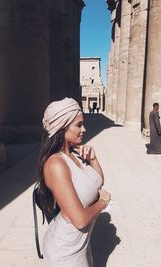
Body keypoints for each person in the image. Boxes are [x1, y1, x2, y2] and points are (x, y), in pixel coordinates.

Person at [37, 97, 111, 267]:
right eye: (79, 125)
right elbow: (79, 220)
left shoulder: (73, 154)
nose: (84, 129)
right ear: (62, 127)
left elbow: (97, 182)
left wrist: (93, 159)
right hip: (65, 251)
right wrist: (102, 202)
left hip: (81, 246)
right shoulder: (55, 164)